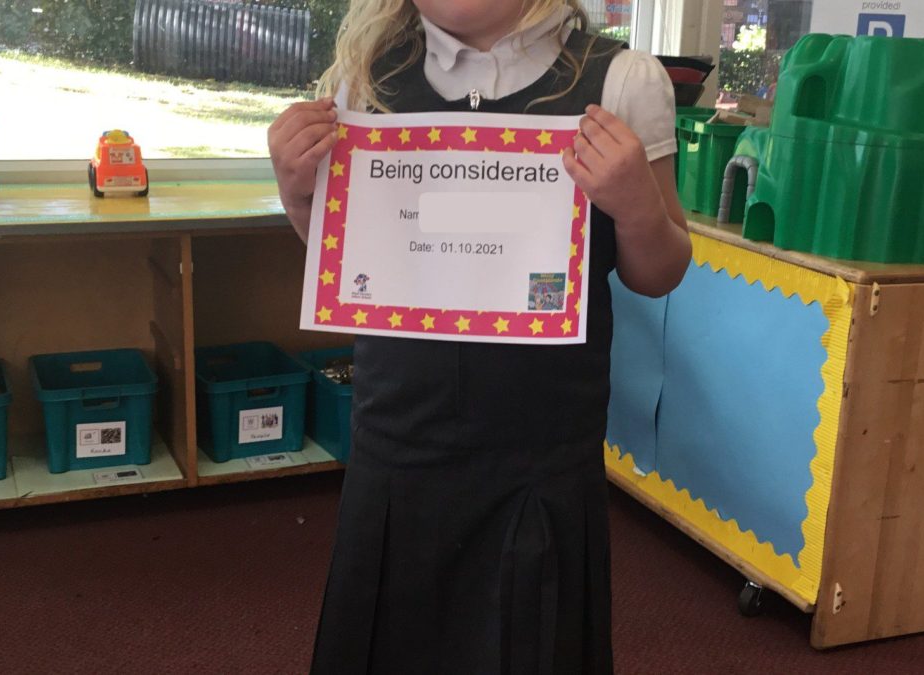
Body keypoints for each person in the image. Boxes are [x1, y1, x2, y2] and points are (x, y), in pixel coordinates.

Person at [268, 1, 691, 672]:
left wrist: (638, 207)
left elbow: (659, 272)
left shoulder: (621, 80)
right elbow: (354, 266)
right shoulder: (365, 81)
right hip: (400, 449)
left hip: (539, 459)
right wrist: (297, 195)